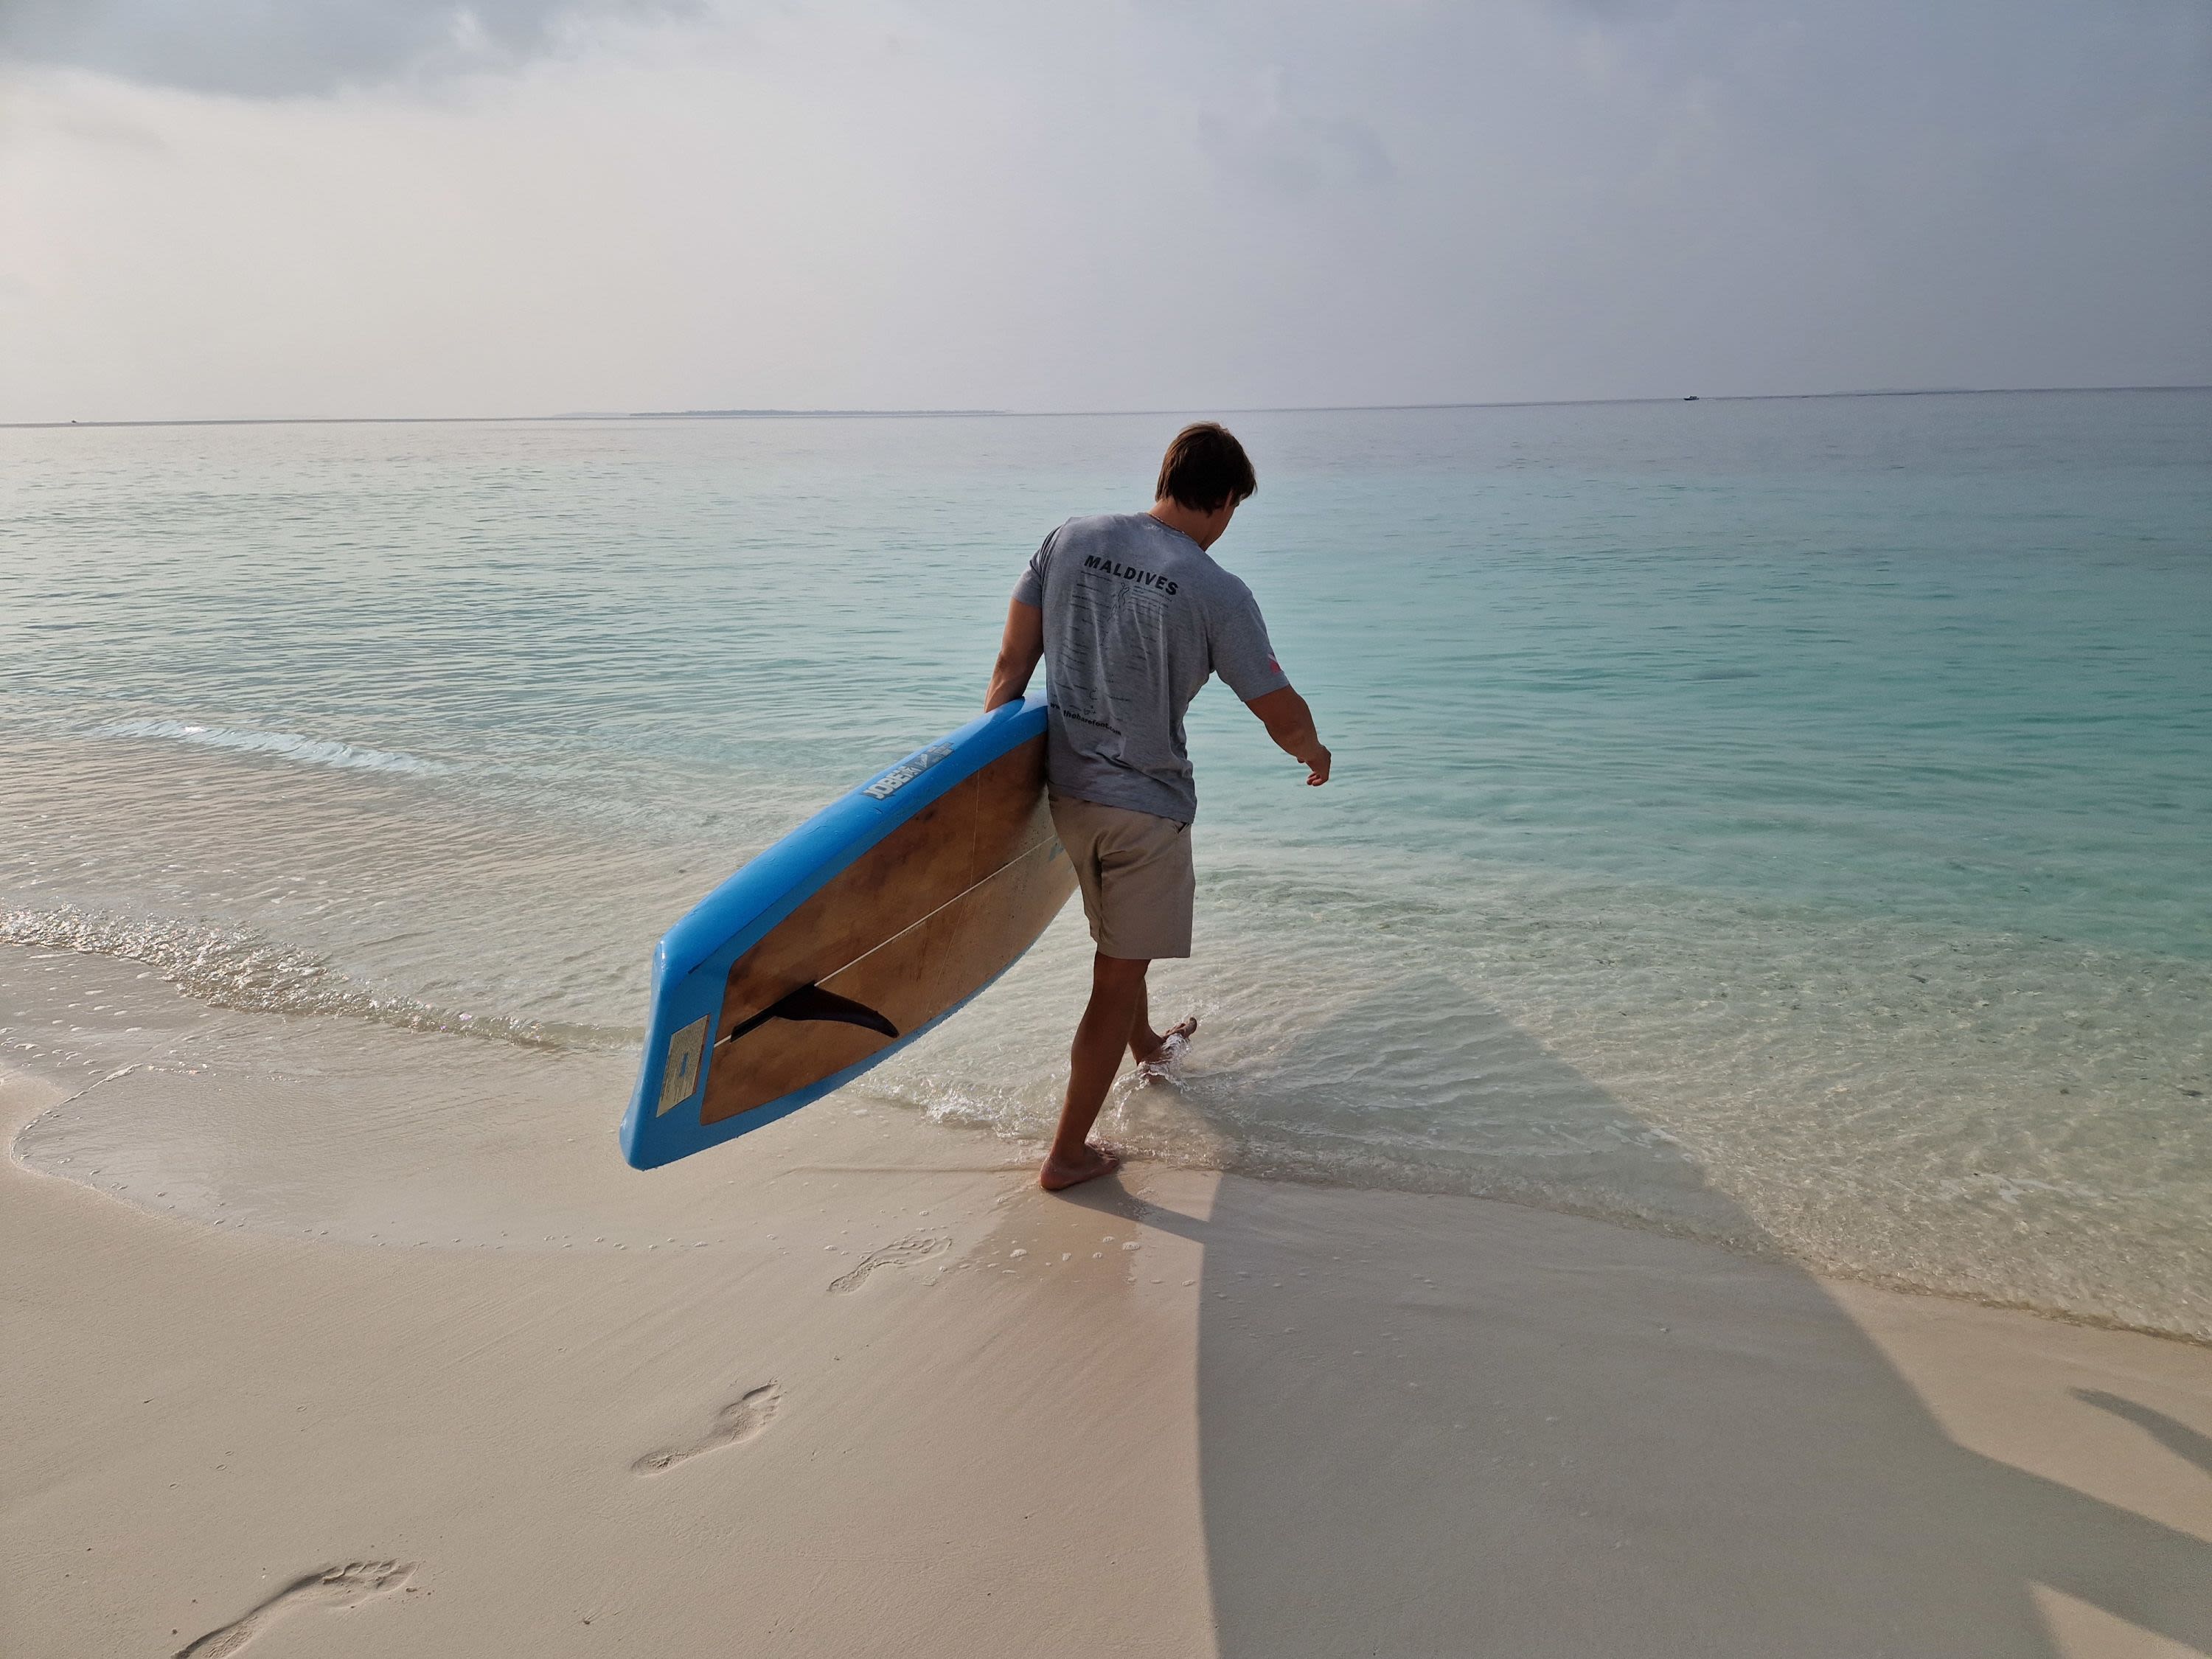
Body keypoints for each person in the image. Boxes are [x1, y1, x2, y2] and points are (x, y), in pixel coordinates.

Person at [983, 422, 1332, 1192]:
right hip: (1144, 809)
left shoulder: (1069, 539)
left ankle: (1146, 1047)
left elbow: (1012, 664)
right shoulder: (1217, 590)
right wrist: (1314, 754)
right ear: (1226, 498)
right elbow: (1276, 708)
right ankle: (1068, 1153)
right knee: (1115, 971)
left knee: (1119, 938)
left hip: (1062, 795)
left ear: (1167, 476)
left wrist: (989, 790)